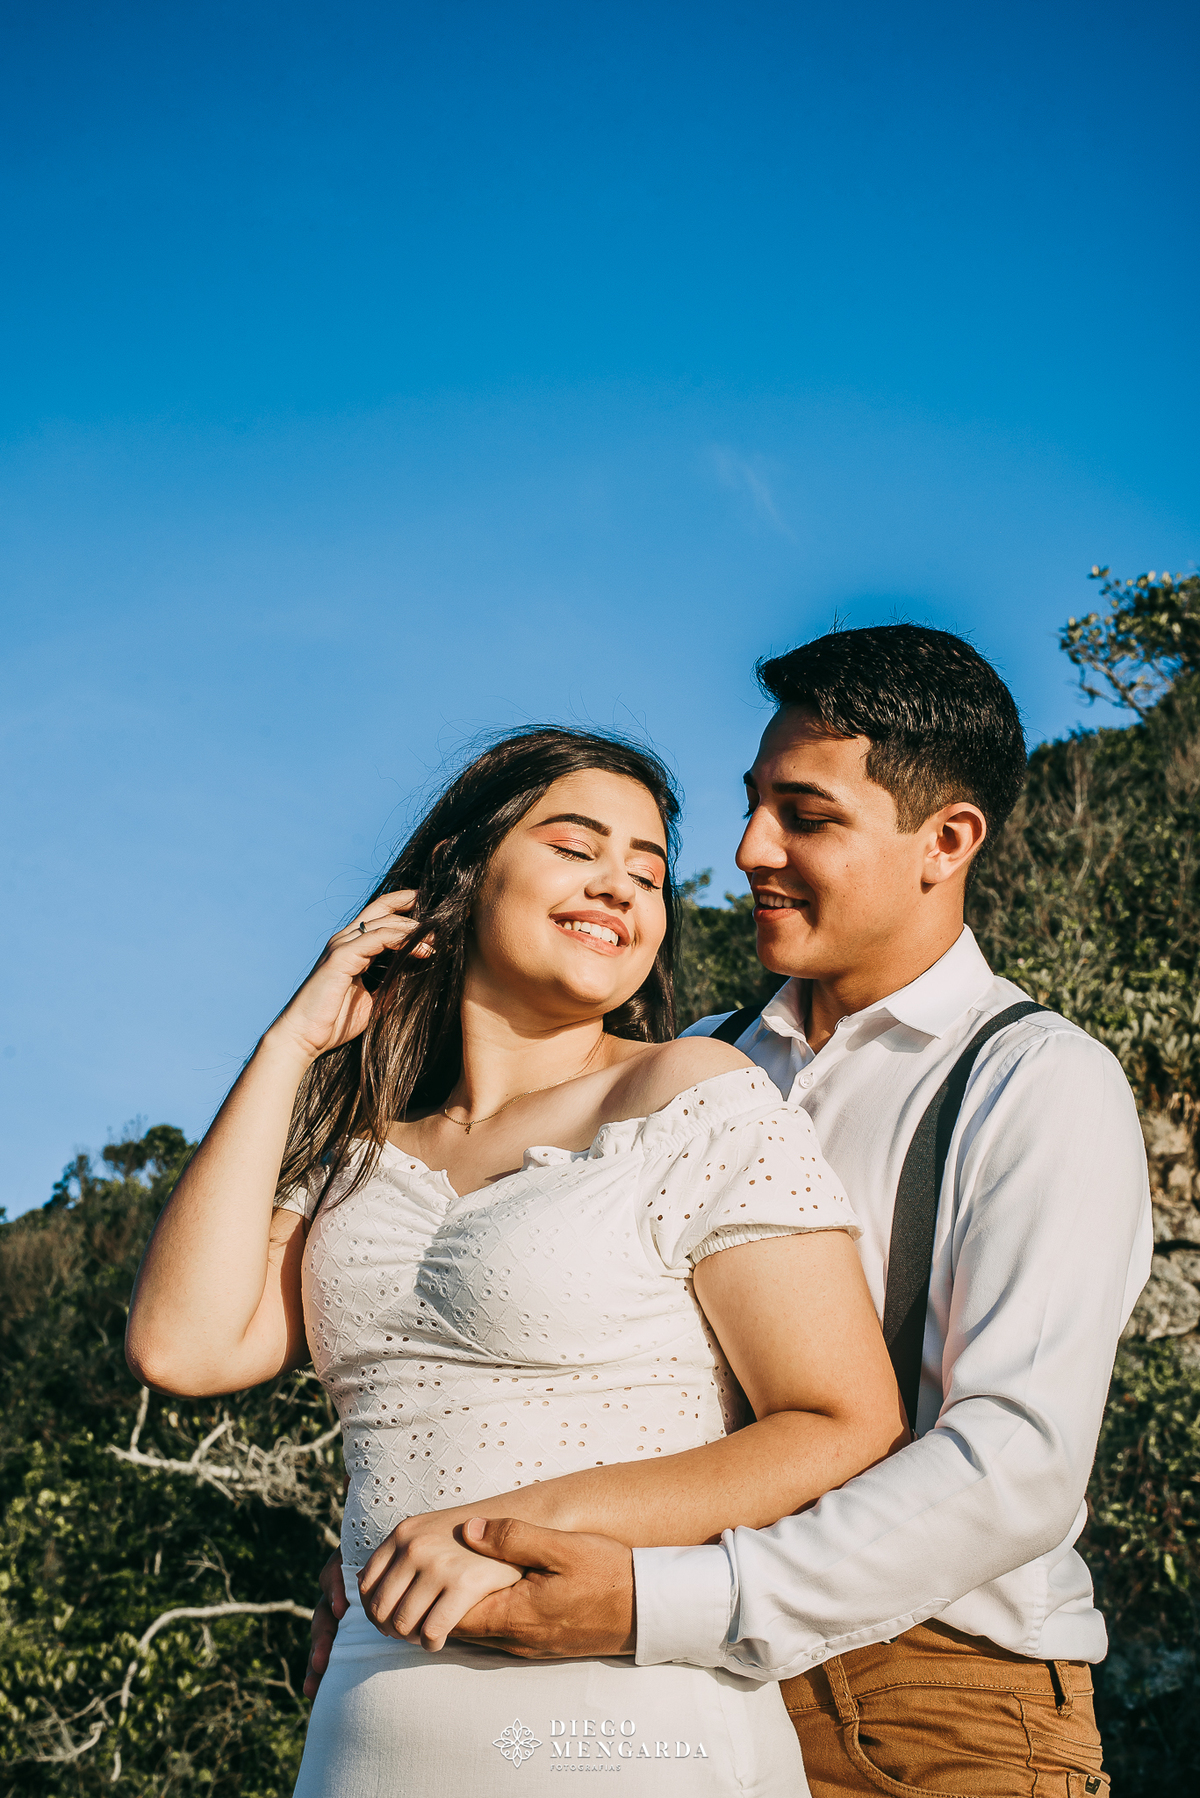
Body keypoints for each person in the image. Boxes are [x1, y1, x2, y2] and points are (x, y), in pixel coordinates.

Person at [308, 626, 1152, 1797]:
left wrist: (661, 1598)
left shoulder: (1035, 1080)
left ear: (946, 841)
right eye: (754, 805)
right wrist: (390, 1545)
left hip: (935, 1702)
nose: (751, 848)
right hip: (668, 1690)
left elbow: (1015, 1463)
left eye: (806, 817)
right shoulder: (687, 1064)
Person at [125, 725, 908, 1798]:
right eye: (578, 847)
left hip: (630, 1720)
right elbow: (184, 1343)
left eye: (648, 870)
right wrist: (293, 1042)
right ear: (462, 876)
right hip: (374, 1723)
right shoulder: (359, 1150)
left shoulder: (696, 1090)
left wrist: (518, 1524)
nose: (621, 886)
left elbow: (842, 1421)